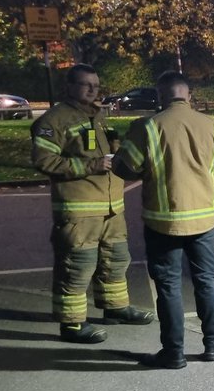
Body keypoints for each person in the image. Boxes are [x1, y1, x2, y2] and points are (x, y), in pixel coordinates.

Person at [112, 71, 214, 369]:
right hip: (204, 221)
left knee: (168, 287)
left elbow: (125, 168)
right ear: (188, 95)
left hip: (163, 222)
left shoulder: (148, 127)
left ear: (161, 96)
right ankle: (213, 345)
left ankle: (173, 353)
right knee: (206, 282)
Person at [31, 64, 155, 344]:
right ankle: (72, 325)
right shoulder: (54, 120)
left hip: (111, 206)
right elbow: (44, 161)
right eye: (86, 84)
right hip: (79, 208)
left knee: (116, 259)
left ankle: (115, 308)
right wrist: (92, 164)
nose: (92, 90)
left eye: (96, 85)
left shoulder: (97, 116)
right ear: (69, 87)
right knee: (77, 266)